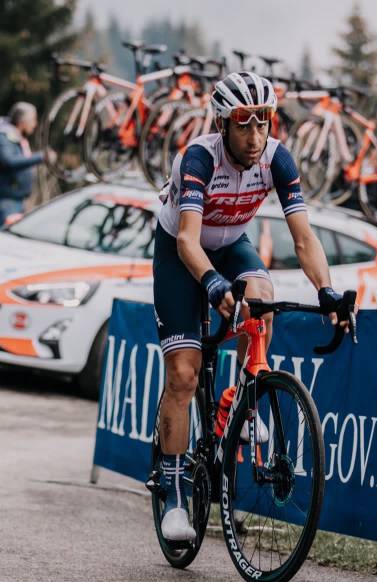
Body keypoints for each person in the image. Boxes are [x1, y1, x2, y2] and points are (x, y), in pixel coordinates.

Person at [154, 71, 347, 541]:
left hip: (232, 244)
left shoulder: (278, 158)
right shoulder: (199, 157)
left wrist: (327, 291)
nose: (256, 135)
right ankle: (175, 494)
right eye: (245, 124)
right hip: (183, 253)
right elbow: (187, 240)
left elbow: (303, 238)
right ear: (223, 123)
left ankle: (242, 407)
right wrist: (214, 285)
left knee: (261, 300)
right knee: (183, 373)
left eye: (264, 122)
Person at [0, 102, 49, 228]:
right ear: (22, 121)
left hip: (15, 200)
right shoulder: (2, 138)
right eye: (33, 120)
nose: (35, 124)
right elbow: (9, 161)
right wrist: (40, 157)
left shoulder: (16, 138)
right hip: (6, 202)